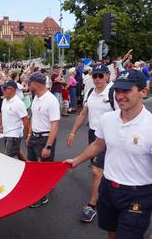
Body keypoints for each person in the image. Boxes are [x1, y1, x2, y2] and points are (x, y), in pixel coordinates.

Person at [65, 69, 152, 239]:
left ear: (143, 91)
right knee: (111, 233)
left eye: (126, 90)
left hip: (138, 195)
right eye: (118, 90)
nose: (119, 96)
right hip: (108, 189)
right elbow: (99, 144)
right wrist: (77, 160)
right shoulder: (108, 119)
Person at [67, 64, 116, 223]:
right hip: (94, 134)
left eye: (101, 76)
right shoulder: (89, 92)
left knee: (97, 170)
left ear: (108, 76)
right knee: (100, 170)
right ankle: (106, 195)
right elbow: (83, 113)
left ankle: (92, 204)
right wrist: (72, 132)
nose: (97, 79)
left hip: (112, 137)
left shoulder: (114, 92)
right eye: (95, 76)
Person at [27, 73, 60, 208]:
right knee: (33, 166)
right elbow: (33, 117)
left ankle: (42, 196)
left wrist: (48, 146)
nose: (28, 86)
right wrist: (29, 134)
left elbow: (55, 124)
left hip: (45, 138)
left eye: (29, 84)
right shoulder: (36, 97)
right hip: (34, 136)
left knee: (44, 169)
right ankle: (39, 189)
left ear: (36, 84)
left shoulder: (51, 100)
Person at [1, 80, 29, 159]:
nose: (3, 90)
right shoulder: (4, 101)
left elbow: (26, 120)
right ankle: (28, 166)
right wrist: (0, 125)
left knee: (9, 157)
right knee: (16, 151)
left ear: (12, 90)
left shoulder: (18, 103)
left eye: (5, 88)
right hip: (6, 132)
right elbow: (2, 113)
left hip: (14, 135)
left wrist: (27, 137)